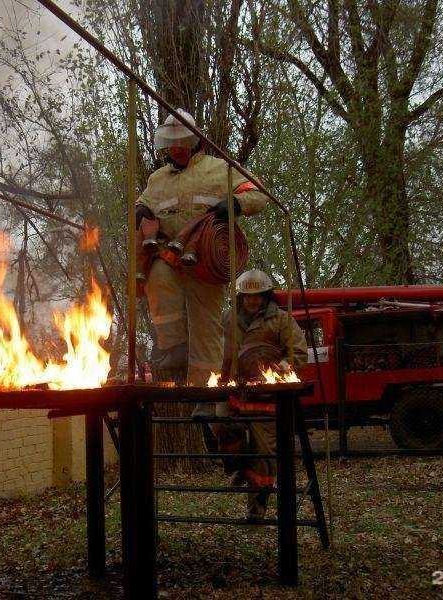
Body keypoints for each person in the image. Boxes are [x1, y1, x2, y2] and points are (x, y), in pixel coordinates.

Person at [135, 109, 267, 388]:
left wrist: (235, 204)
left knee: (206, 327)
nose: (177, 150)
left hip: (206, 261)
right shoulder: (157, 179)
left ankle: (204, 390)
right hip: (169, 254)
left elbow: (258, 193)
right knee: (157, 281)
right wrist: (141, 209)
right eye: (172, 145)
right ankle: (174, 347)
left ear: (195, 142)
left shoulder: (219, 169)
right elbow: (141, 202)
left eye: (182, 144)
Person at [216, 269, 308, 520]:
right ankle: (238, 466)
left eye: (257, 296)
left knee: (265, 454)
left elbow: (298, 354)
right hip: (235, 393)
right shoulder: (227, 319)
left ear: (266, 296)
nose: (252, 300)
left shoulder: (282, 320)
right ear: (241, 297)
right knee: (220, 425)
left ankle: (256, 508)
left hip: (266, 399)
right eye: (247, 296)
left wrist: (283, 367)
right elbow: (217, 350)